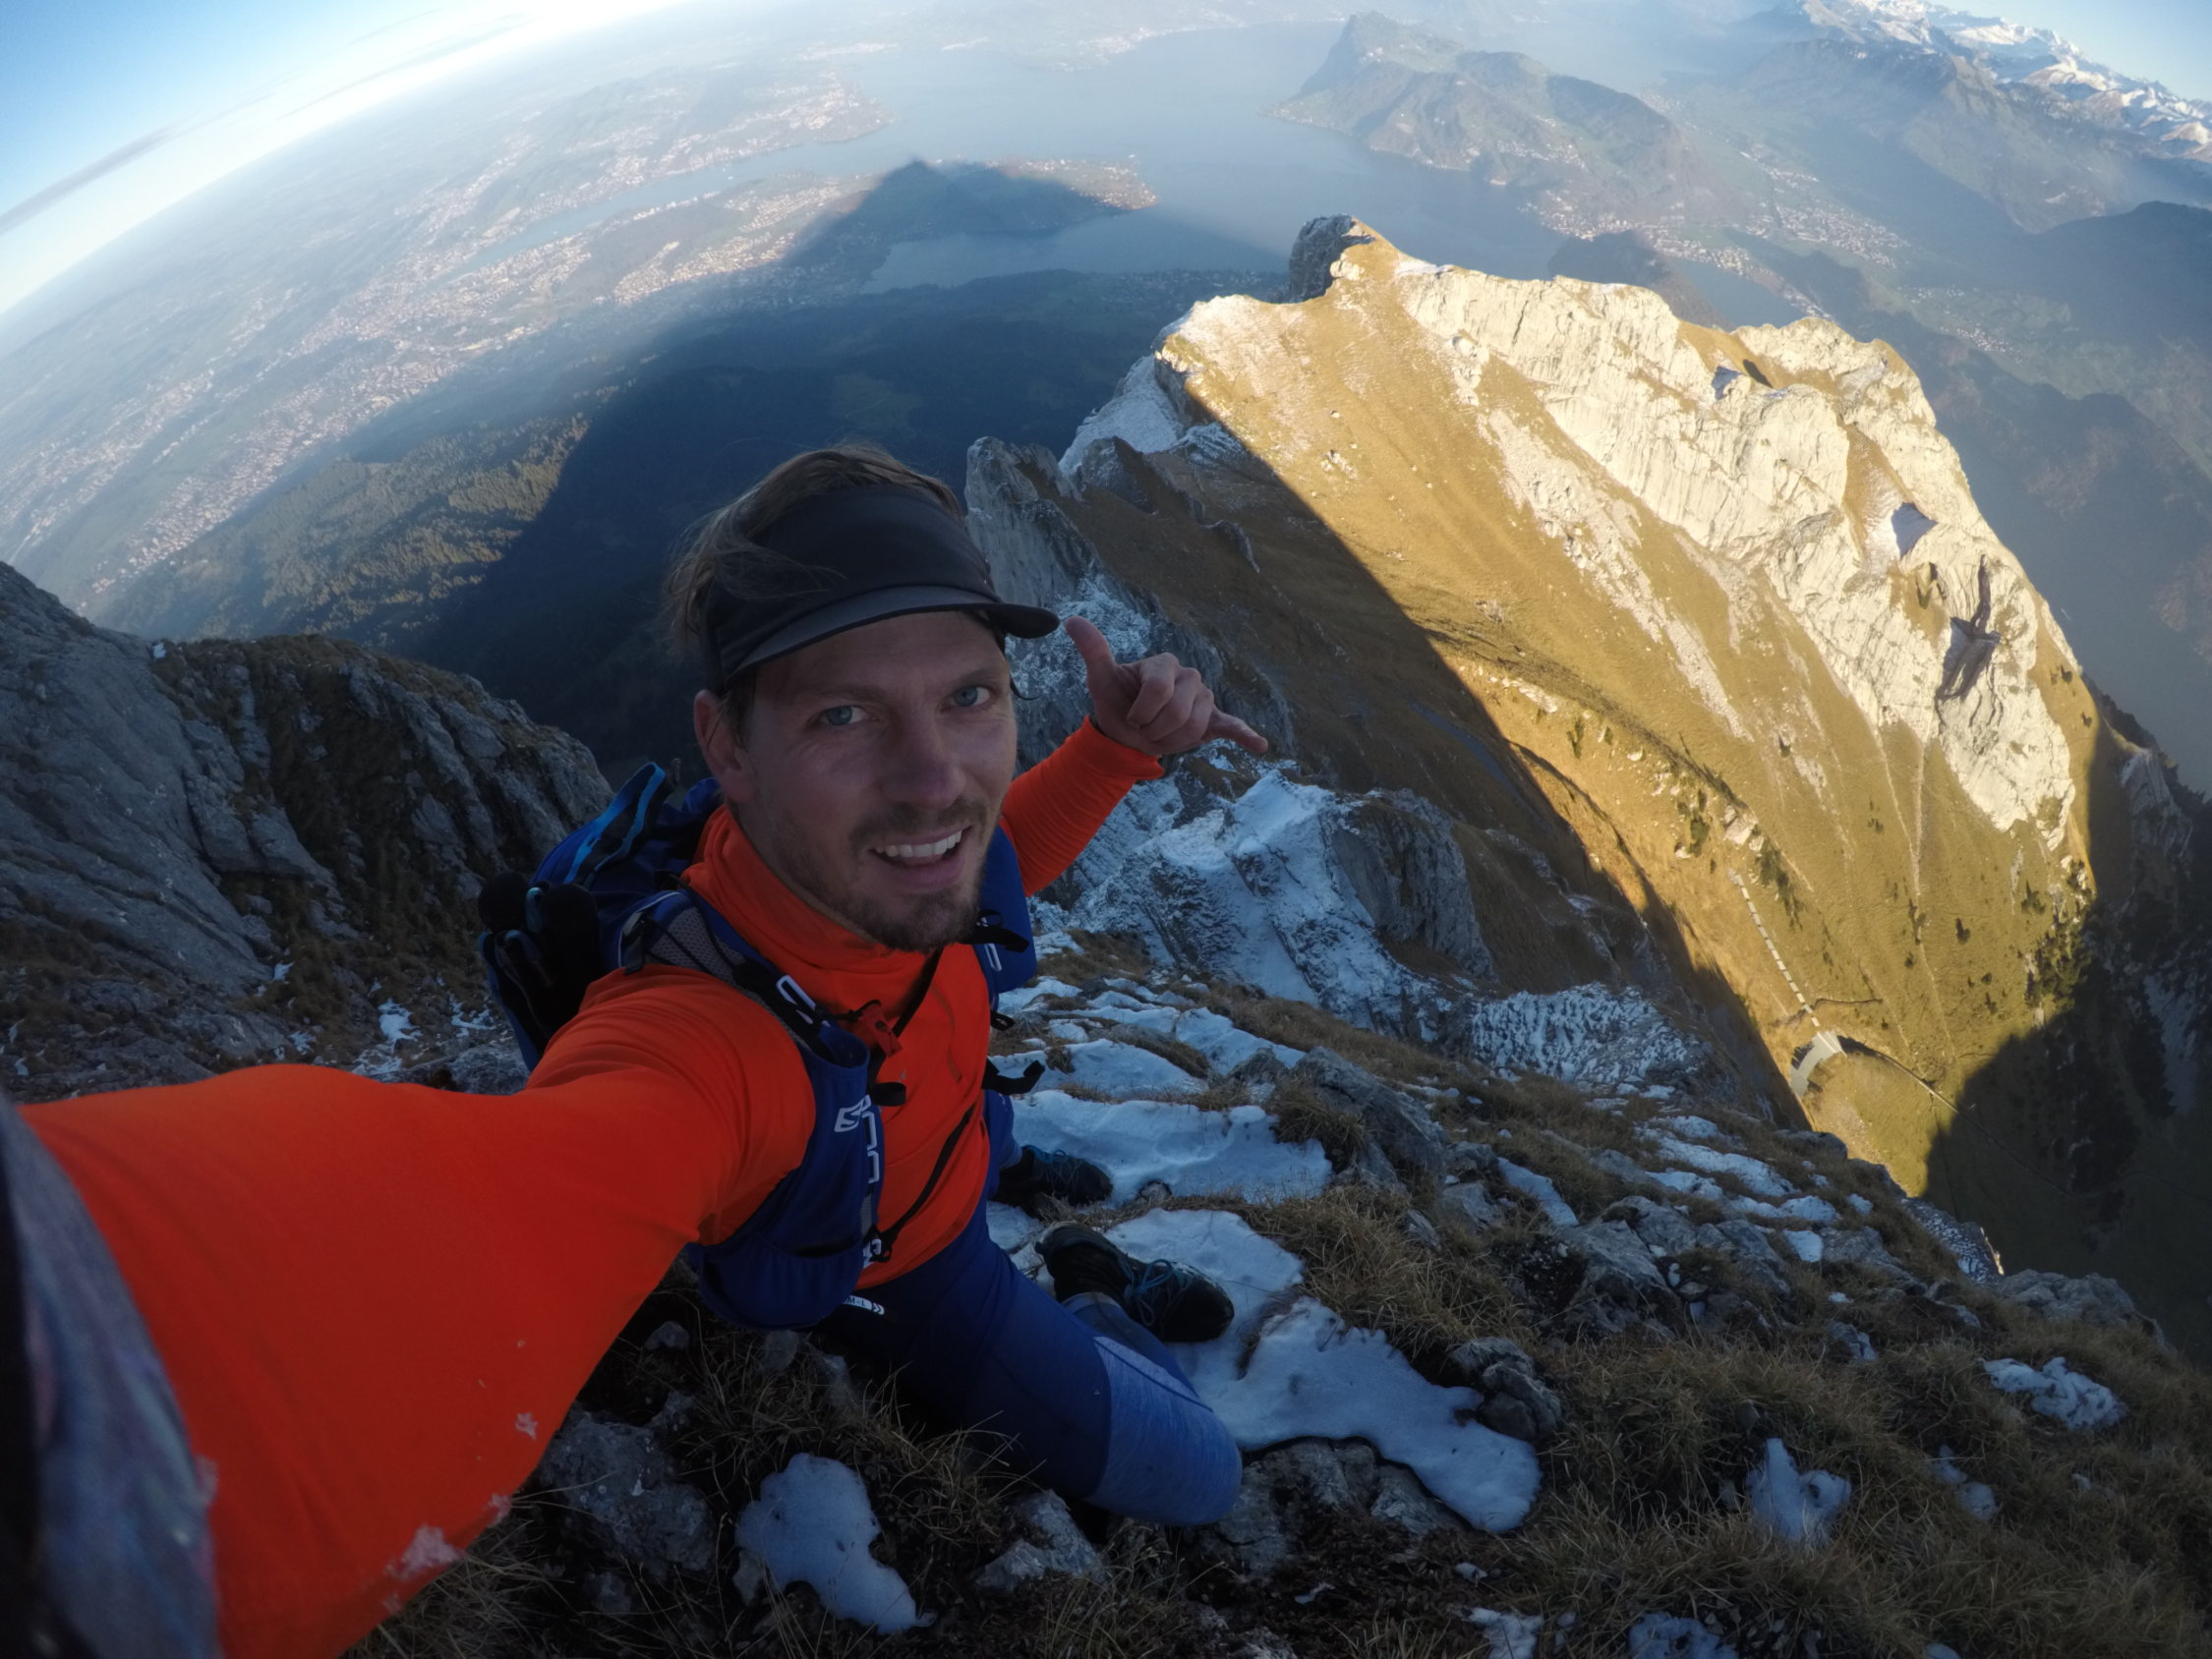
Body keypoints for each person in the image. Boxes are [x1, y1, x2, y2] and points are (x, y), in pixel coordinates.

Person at [4, 444, 1269, 1659]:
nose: (937, 779)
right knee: (1203, 1471)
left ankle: (1040, 1215)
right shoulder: (704, 1043)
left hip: (945, 1135)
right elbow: (498, 1192)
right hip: (918, 1265)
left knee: (982, 1109)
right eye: (843, 712)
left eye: (969, 695)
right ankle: (1093, 1296)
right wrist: (69, 1374)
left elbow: (990, 867)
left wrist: (1114, 750)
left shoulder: (886, 860)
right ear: (727, 747)